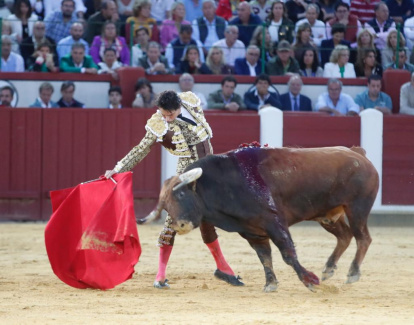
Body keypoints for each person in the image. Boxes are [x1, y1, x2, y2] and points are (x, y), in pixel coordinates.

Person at [104, 90, 241, 289]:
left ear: (179, 106)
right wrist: (117, 169)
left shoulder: (190, 100)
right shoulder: (158, 123)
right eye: (164, 114)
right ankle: (160, 275)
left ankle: (223, 268)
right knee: (172, 220)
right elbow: (140, 149)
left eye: (171, 114)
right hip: (187, 172)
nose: (167, 118)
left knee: (209, 218)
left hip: (209, 169)